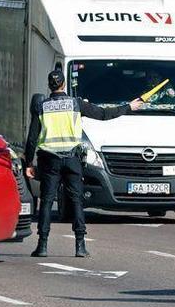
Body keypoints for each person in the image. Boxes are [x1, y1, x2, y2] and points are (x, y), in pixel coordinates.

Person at [24, 68, 143, 257]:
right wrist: (128, 107)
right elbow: (103, 114)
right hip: (72, 160)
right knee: (77, 202)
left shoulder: (42, 107)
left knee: (46, 202)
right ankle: (80, 246)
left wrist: (28, 163)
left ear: (49, 86)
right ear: (63, 85)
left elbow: (31, 139)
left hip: (50, 161)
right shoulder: (76, 104)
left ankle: (43, 246)